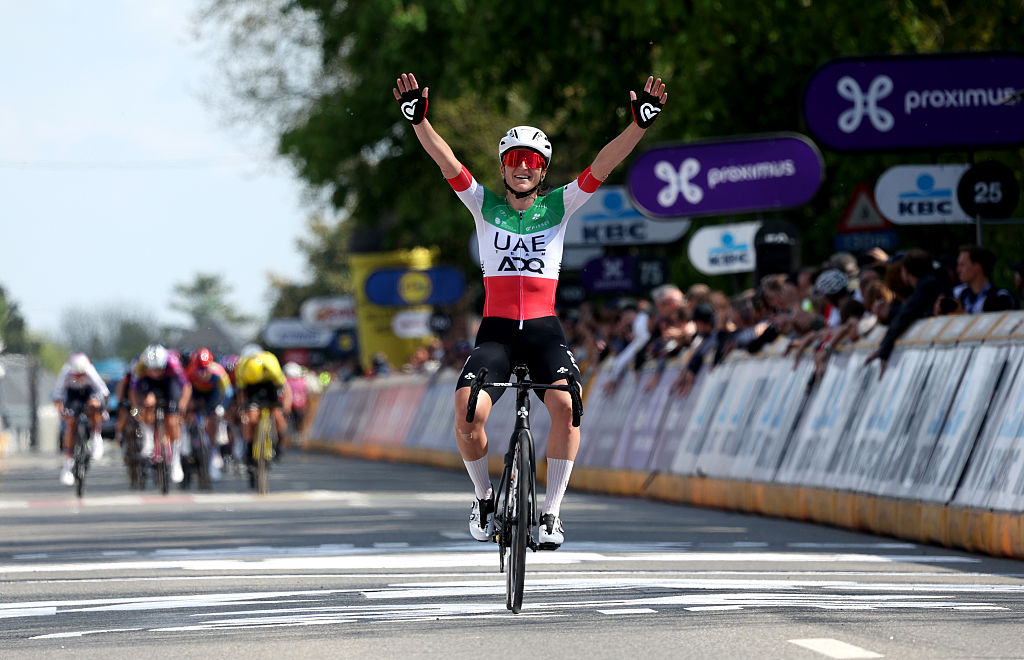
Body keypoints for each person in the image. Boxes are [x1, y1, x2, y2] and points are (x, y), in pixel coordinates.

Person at [393, 71, 667, 549]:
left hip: (543, 330)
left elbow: (604, 162)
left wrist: (639, 126)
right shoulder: (482, 205)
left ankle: (552, 512)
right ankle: (483, 498)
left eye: (532, 161)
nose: (522, 167)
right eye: (514, 160)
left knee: (568, 407)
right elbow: (446, 160)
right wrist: (419, 121)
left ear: (543, 171)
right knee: (466, 410)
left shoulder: (562, 204)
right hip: (497, 333)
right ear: (503, 168)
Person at [864, 249, 949, 378]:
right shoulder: (935, 280)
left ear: (905, 272)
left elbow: (907, 313)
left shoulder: (927, 285)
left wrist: (885, 348)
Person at [130, 344, 191, 483]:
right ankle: (148, 439)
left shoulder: (173, 363)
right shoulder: (141, 366)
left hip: (169, 384)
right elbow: (133, 390)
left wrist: (182, 404)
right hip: (150, 385)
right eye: (153, 370)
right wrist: (136, 409)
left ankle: (176, 461)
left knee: (172, 421)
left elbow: (186, 386)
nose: (156, 372)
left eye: (159, 369)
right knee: (148, 402)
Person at [235, 348, 292, 486]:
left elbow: (286, 389)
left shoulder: (271, 364)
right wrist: (243, 409)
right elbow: (241, 394)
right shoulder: (242, 369)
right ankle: (249, 452)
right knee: (251, 419)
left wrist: (286, 406)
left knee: (278, 416)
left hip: (269, 387)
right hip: (251, 390)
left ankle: (278, 446)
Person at [52, 353, 109, 486]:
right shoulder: (65, 372)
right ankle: (67, 466)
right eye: (75, 376)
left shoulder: (90, 370)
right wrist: (62, 412)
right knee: (70, 424)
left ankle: (96, 437)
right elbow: (57, 396)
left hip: (89, 393)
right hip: (72, 396)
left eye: (81, 375)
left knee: (94, 406)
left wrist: (103, 410)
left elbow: (104, 392)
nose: (79, 378)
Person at [183, 347, 232, 474]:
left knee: (213, 420)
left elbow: (228, 393)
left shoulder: (219, 372)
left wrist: (222, 407)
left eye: (205, 369)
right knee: (187, 414)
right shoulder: (190, 372)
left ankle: (213, 451)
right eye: (200, 369)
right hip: (195, 393)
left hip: (212, 395)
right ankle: (187, 443)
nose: (203, 373)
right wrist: (185, 407)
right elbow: (183, 391)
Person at [938, 244, 1017, 314]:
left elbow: (992, 327)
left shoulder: (1000, 297)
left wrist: (962, 315)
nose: (958, 270)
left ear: (977, 267)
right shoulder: (958, 293)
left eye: (962, 265)